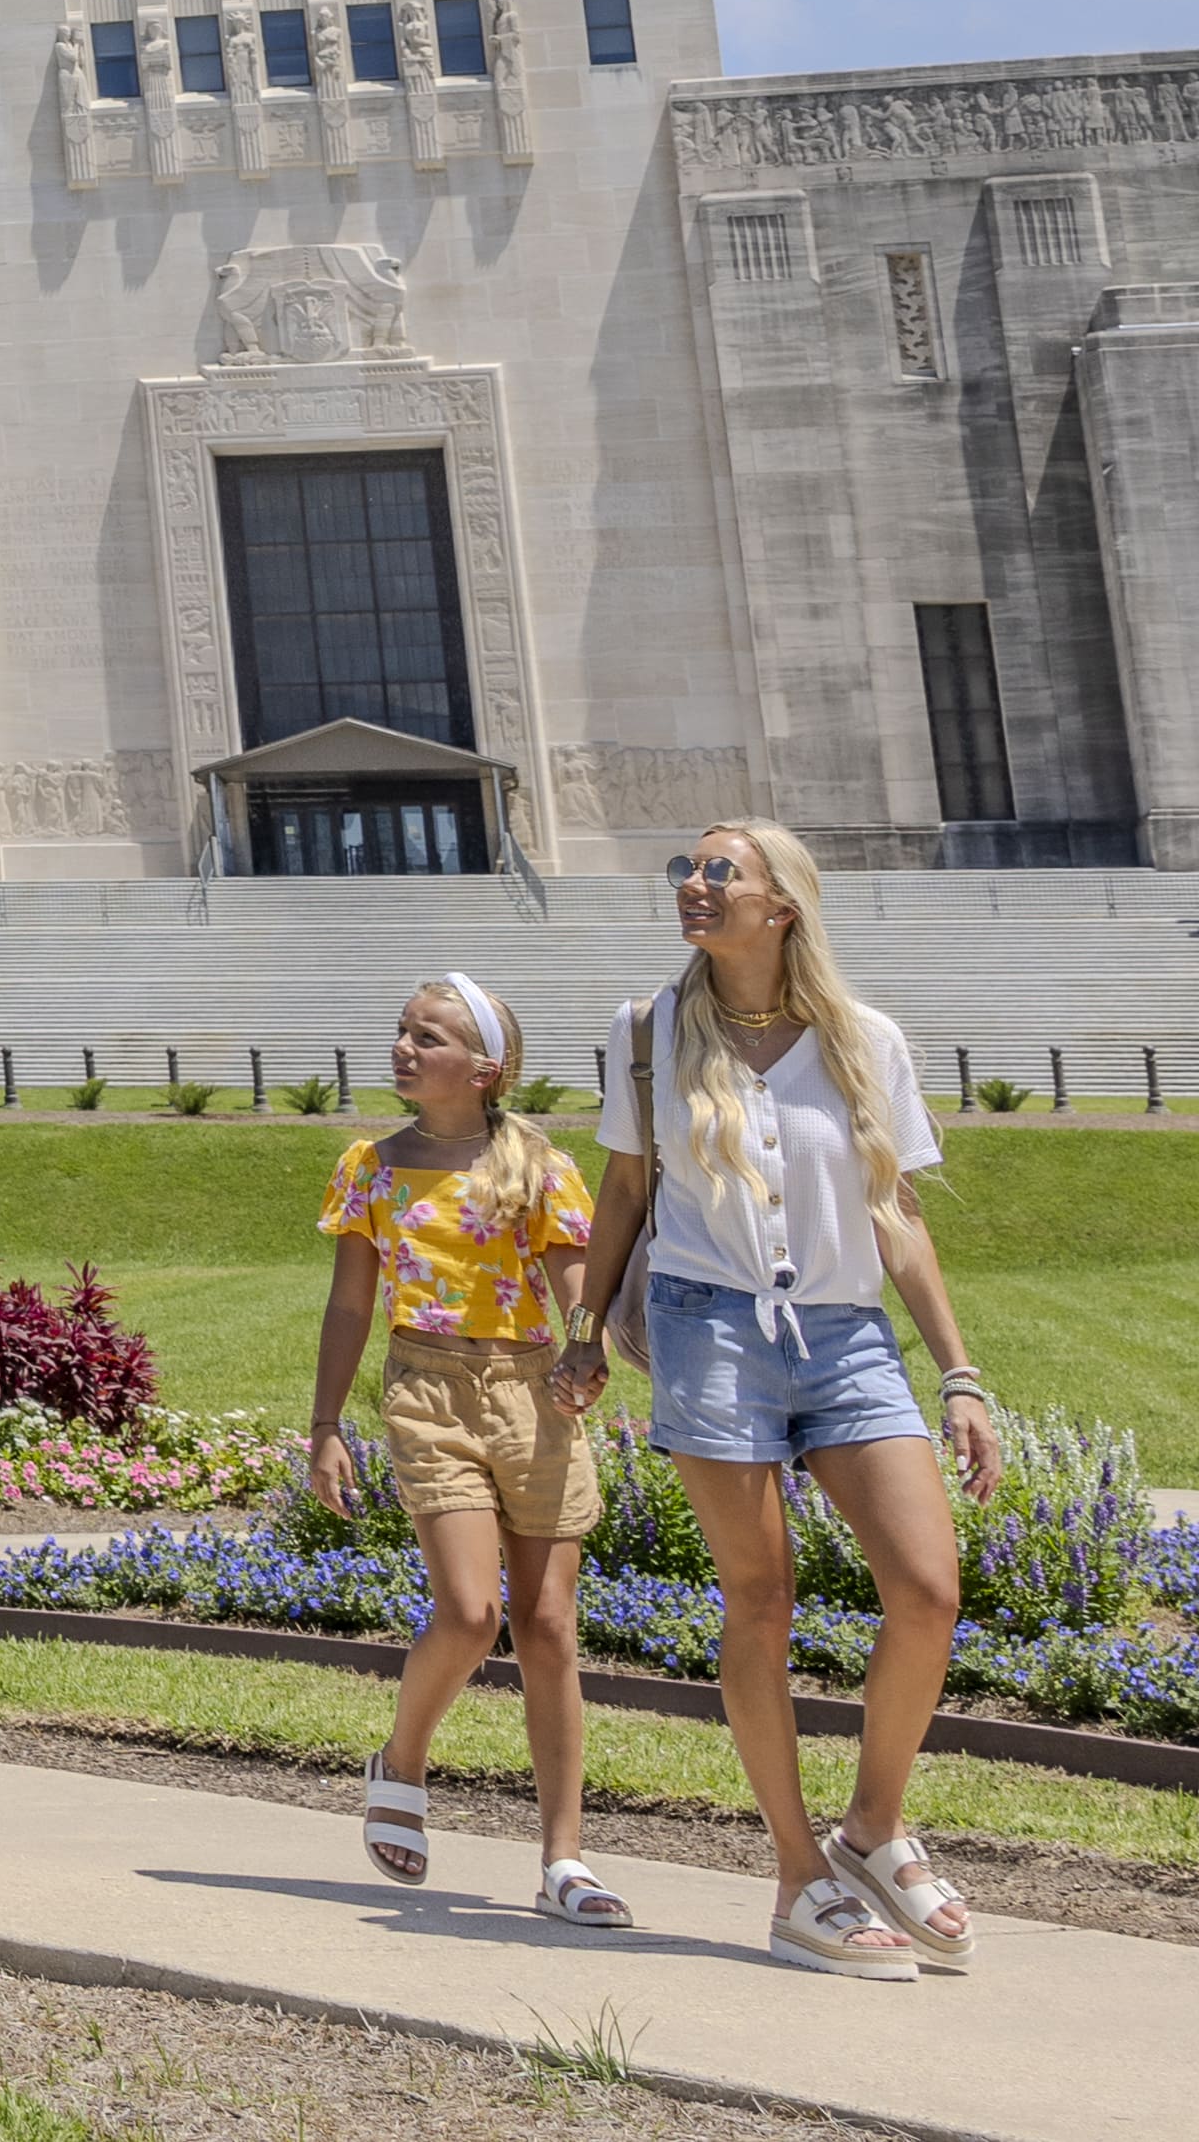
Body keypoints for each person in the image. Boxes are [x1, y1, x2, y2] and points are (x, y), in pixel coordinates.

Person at [561, 819, 1005, 1981]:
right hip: (709, 1332)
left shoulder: (863, 1041)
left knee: (924, 1587)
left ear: (780, 906)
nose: (692, 886)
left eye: (720, 872)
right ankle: (795, 1875)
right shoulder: (647, 1033)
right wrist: (583, 1328)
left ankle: (871, 1830)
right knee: (758, 1600)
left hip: (846, 1336)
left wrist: (955, 1371)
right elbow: (620, 1184)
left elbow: (895, 1214)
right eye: (685, 870)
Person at [301, 972, 620, 1928]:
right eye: (401, 1031)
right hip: (428, 1390)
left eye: (427, 1037)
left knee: (551, 1626)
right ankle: (402, 1761)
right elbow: (351, 1302)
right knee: (473, 1612)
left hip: (533, 1395)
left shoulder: (538, 1164)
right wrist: (323, 1427)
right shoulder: (372, 1165)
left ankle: (564, 1857)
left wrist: (587, 1345)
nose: (404, 1047)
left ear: (485, 1069)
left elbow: (577, 1286)